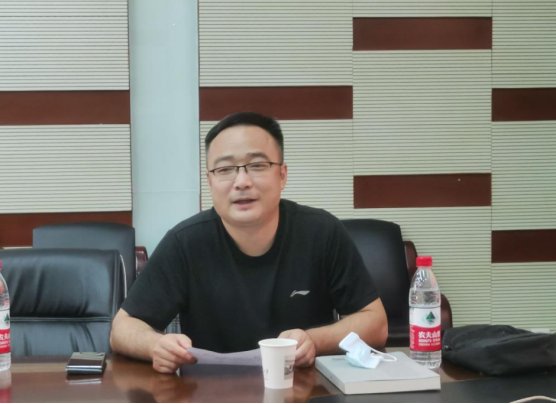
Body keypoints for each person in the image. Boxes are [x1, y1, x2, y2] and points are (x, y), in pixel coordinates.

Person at [110, 112, 388, 374]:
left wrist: (313, 340)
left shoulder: (322, 231)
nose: (242, 182)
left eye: (257, 165)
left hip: (304, 389)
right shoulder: (185, 242)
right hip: (211, 392)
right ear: (210, 182)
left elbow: (375, 323)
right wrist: (156, 345)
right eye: (225, 169)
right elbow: (122, 328)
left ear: (282, 175)